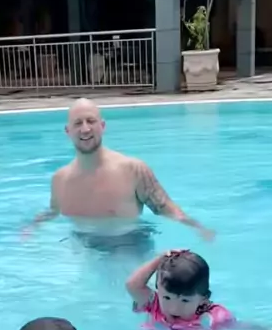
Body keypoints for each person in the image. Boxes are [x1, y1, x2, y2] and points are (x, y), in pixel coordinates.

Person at [27, 98, 214, 243]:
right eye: (78, 123)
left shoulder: (133, 170)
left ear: (102, 126)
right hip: (83, 248)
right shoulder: (59, 180)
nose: (85, 129)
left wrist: (198, 228)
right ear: (68, 131)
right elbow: (53, 212)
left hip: (129, 245)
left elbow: (165, 207)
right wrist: (30, 228)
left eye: (91, 121)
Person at [126, 249, 270, 330]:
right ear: (158, 289)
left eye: (185, 300)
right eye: (167, 298)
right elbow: (132, 285)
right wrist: (159, 260)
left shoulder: (212, 317)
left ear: (203, 299)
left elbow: (238, 326)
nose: (174, 308)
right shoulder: (154, 304)